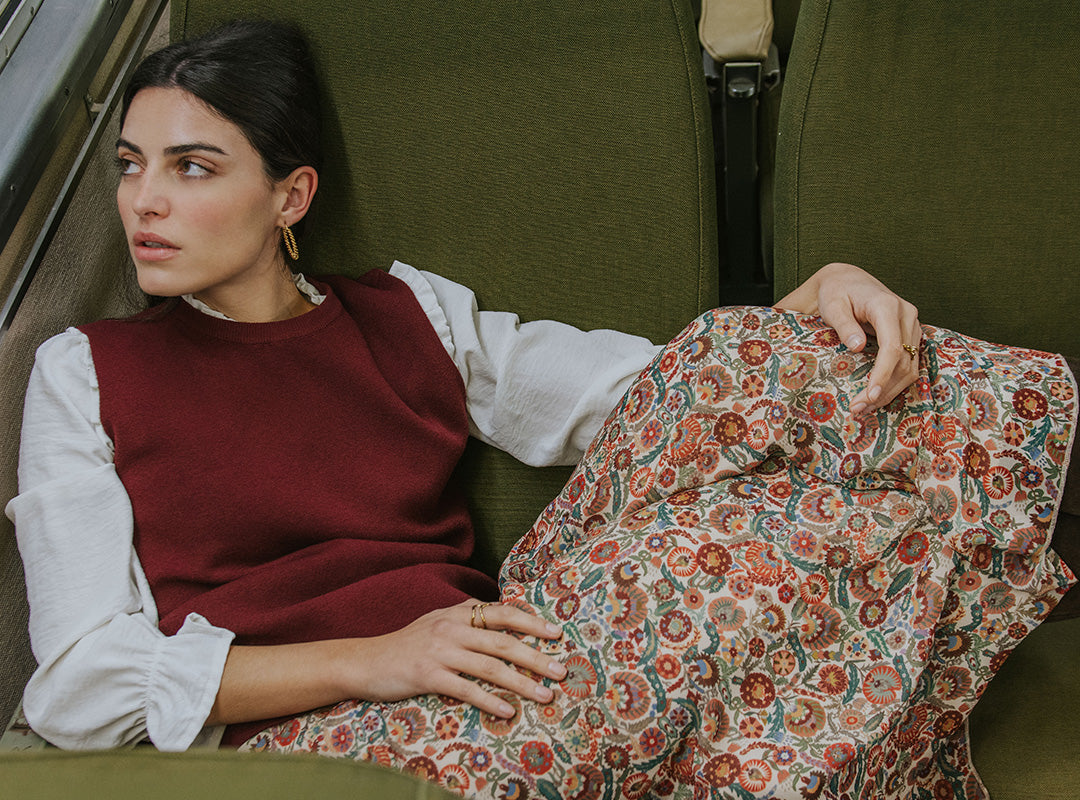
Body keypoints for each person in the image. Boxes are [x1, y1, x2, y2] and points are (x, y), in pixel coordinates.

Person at [6, 19, 1075, 800]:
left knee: (761, 397)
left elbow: (665, 397)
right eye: (131, 166)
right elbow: (79, 684)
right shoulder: (86, 370)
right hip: (317, 736)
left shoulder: (408, 314)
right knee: (717, 591)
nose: (143, 202)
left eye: (192, 168)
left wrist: (814, 299)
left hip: (505, 659)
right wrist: (377, 656)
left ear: (291, 195)